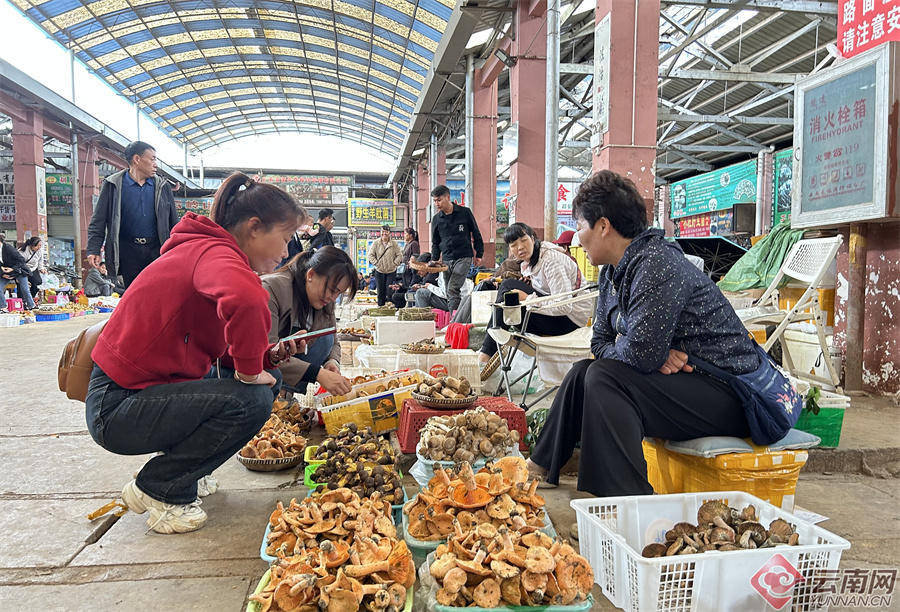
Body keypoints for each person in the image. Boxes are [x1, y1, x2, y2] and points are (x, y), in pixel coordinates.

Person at [84, 171, 306, 534]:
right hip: (117, 405)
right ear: (254, 228)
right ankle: (160, 487)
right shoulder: (215, 252)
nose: (286, 252)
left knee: (269, 380)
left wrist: (266, 359)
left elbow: (222, 350)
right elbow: (248, 300)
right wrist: (251, 371)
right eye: (284, 239)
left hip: (138, 395)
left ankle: (186, 472)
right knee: (251, 400)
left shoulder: (206, 250)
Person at [526, 170, 757, 497]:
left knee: (604, 378)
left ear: (604, 226)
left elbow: (638, 355)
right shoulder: (612, 272)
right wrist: (639, 349)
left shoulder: (657, 263)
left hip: (728, 394)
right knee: (582, 372)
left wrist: (639, 350)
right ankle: (538, 468)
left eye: (580, 226)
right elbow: (601, 343)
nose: (577, 237)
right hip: (685, 385)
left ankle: (624, 502)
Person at [478, 223, 592, 367]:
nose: (520, 247)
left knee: (508, 287)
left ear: (533, 239)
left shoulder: (551, 260)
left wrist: (527, 298)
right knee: (508, 300)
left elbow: (564, 306)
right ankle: (489, 355)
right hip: (555, 316)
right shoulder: (531, 262)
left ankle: (485, 356)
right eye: (513, 244)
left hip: (569, 322)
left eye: (524, 240)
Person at [262, 246, 356, 396]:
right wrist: (318, 374)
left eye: (339, 292)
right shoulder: (272, 289)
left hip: (288, 360)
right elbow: (264, 352)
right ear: (310, 275)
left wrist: (331, 362)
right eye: (332, 289)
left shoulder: (326, 299)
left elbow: (334, 341)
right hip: (263, 369)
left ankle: (287, 392)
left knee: (326, 337)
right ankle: (277, 391)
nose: (333, 298)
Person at [86, 141, 178, 288]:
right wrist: (93, 249)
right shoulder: (113, 185)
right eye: (152, 159)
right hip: (127, 251)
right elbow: (99, 220)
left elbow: (174, 222)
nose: (155, 164)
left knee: (158, 293)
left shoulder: (162, 187)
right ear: (137, 159)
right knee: (132, 294)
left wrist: (178, 251)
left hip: (156, 249)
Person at [430, 185, 483, 312]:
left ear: (448, 197)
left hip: (464, 256)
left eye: (439, 200)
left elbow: (476, 233)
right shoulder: (437, 219)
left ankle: (454, 323)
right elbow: (435, 242)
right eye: (435, 201)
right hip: (446, 259)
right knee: (449, 292)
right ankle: (457, 318)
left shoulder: (465, 212)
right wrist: (434, 259)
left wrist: (479, 253)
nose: (437, 203)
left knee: (453, 288)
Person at [367, 226, 403, 306]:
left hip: (391, 271)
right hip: (379, 271)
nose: (384, 233)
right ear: (380, 233)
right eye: (383, 231)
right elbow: (370, 255)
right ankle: (381, 308)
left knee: (390, 291)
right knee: (380, 292)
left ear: (389, 233)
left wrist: (394, 264)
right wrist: (376, 263)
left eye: (386, 232)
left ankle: (390, 308)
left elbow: (399, 255)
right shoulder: (376, 243)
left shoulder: (394, 244)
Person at [1, 234, 29, 307]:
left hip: (18, 270)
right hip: (6, 273)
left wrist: (12, 269)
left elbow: (21, 260)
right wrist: (2, 273)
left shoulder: (8, 248)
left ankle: (31, 305)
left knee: (25, 290)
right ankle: (3, 307)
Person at [18, 236, 44, 303]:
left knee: (38, 282)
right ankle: (22, 302)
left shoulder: (39, 251)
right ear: (32, 245)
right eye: (37, 246)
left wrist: (41, 268)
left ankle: (30, 298)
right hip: (23, 270)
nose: (39, 247)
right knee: (22, 286)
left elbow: (40, 260)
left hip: (33, 269)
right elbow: (18, 263)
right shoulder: (22, 252)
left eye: (40, 245)